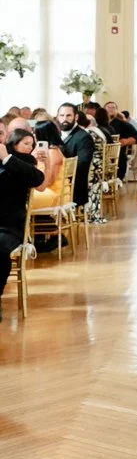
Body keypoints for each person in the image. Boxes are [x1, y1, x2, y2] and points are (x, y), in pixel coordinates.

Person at [0, 123, 45, 316]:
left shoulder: (19, 160)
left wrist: (6, 158)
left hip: (7, 227)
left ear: (6, 137)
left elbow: (38, 179)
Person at [55, 102, 97, 208]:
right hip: (56, 181)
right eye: (62, 115)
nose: (64, 119)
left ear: (76, 117)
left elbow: (82, 165)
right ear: (57, 117)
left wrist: (57, 171)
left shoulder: (84, 137)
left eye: (68, 115)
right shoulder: (55, 135)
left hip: (73, 187)